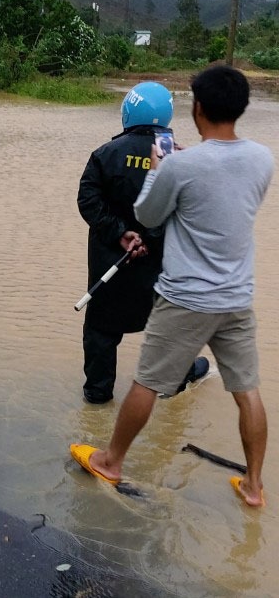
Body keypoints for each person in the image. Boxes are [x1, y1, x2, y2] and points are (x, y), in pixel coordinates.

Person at [71, 65, 273, 508]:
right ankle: (254, 486)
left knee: (145, 381)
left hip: (186, 294)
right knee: (247, 390)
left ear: (198, 107)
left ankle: (110, 459)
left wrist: (161, 170)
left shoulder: (178, 163)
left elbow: (147, 214)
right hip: (237, 294)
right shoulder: (263, 158)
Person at [77, 81, 208, 404]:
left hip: (111, 263)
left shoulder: (106, 154)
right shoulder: (175, 153)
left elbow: (88, 201)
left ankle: (97, 393)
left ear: (127, 111)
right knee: (170, 326)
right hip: (164, 267)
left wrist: (120, 233)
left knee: (102, 330)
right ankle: (176, 382)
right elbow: (191, 209)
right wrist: (150, 237)